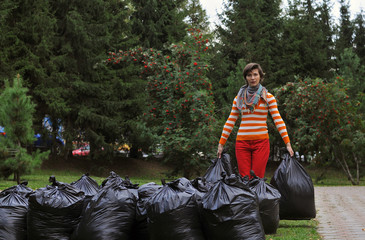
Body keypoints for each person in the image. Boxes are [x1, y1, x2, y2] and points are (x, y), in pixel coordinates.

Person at [217, 63, 294, 178]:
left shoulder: (268, 98)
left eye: (255, 74)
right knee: (245, 179)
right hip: (242, 143)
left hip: (261, 143)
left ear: (260, 76)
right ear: (245, 78)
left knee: (257, 179)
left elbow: (278, 120)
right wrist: (221, 143)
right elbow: (230, 121)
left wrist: (287, 143)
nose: (252, 78)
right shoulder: (239, 99)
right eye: (249, 75)